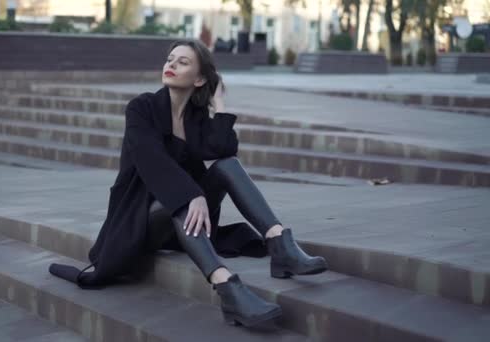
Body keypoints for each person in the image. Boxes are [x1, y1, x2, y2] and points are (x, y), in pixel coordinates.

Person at [49, 39, 328, 328]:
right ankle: (227, 286)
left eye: (182, 62)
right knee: (180, 201)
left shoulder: (196, 118)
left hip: (184, 220)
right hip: (139, 220)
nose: (171, 65)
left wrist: (219, 103)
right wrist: (191, 194)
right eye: (170, 59)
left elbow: (223, 149)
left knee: (227, 167)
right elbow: (151, 161)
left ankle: (279, 242)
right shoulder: (141, 108)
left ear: (199, 78)